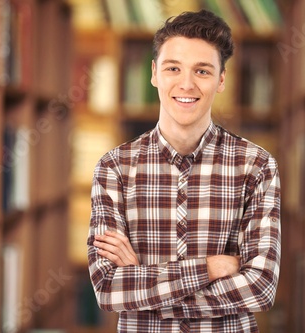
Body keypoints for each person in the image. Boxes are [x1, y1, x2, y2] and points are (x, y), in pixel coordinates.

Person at [87, 9, 281, 333]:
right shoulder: (114, 168)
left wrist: (144, 283)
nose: (186, 84)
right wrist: (211, 268)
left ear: (221, 80)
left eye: (202, 71)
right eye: (173, 68)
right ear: (154, 74)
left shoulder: (256, 166)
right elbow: (108, 288)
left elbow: (260, 288)